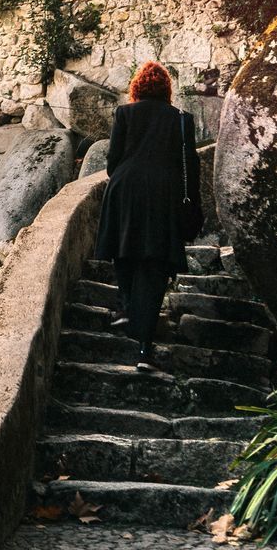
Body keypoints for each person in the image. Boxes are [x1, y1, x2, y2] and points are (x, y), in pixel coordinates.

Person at [93, 60, 202, 371]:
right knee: (154, 266)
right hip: (163, 196)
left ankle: (127, 305)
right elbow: (190, 167)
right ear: (166, 89)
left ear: (137, 88)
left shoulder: (124, 113)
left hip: (125, 189)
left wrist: (127, 175)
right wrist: (192, 206)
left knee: (124, 249)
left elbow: (113, 160)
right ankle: (144, 350)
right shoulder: (181, 119)